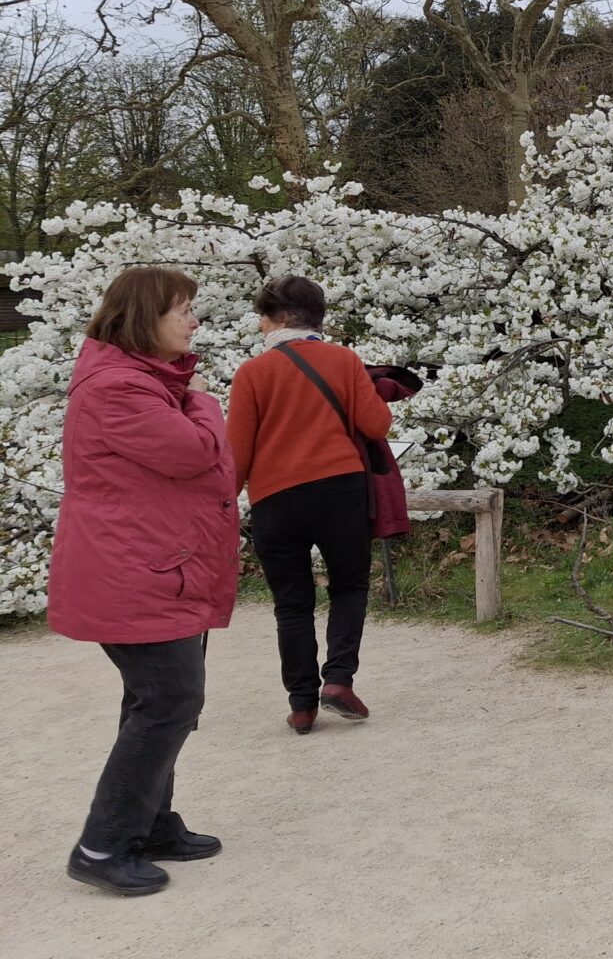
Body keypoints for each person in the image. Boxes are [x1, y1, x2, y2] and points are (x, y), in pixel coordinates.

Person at [48, 267, 238, 897]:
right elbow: (196, 453)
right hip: (134, 571)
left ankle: (150, 824)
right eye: (182, 310)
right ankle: (102, 845)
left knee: (155, 699)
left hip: (153, 567)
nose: (194, 322)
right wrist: (202, 399)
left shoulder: (143, 382)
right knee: (169, 699)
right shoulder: (119, 390)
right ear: (143, 318)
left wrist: (185, 392)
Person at [226, 276, 391, 734]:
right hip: (340, 489)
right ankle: (338, 681)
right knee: (349, 586)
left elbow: (236, 454)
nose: (260, 325)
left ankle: (302, 705)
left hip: (275, 498)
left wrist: (223, 505)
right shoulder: (343, 360)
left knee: (292, 603)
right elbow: (377, 425)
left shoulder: (252, 373)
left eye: (263, 317)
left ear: (279, 317)